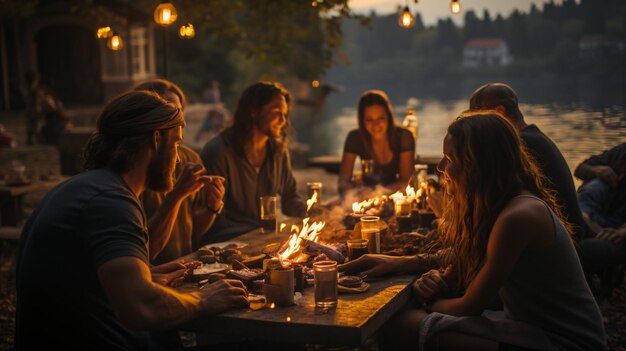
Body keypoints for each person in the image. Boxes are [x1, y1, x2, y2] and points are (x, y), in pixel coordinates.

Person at [345, 111, 607, 350]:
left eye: (449, 159)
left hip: (565, 342)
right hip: (535, 328)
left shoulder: (518, 216)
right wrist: (396, 263)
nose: (441, 169)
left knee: (401, 326)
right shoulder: (506, 204)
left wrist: (428, 304)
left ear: (476, 163)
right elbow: (468, 255)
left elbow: (469, 306)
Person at [15, 91, 248, 350]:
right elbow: (140, 307)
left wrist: (144, 274)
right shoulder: (109, 201)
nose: (179, 158)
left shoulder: (88, 188)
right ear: (156, 139)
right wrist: (203, 299)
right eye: (176, 144)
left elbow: (84, 283)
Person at [467, 83, 625, 293]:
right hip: (570, 232)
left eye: (478, 118)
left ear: (499, 112)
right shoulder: (532, 138)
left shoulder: (521, 145)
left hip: (564, 243)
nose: (476, 126)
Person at [200, 81, 307, 243]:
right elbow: (216, 224)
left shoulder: (278, 151)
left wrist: (315, 210)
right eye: (276, 112)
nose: (282, 120)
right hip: (227, 244)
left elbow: (290, 199)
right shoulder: (218, 152)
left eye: (285, 114)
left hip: (263, 239)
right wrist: (264, 235)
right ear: (254, 111)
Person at [134, 79, 225, 264]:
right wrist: (176, 195)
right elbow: (139, 252)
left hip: (182, 267)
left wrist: (211, 206)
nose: (174, 118)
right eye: (166, 110)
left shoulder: (190, 159)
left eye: (177, 110)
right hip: (150, 274)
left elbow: (193, 230)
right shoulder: (136, 169)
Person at [338, 90, 415, 195]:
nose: (376, 124)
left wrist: (376, 194)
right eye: (369, 120)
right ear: (362, 120)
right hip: (363, 198)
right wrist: (352, 189)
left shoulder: (403, 137)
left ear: (389, 116)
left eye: (381, 118)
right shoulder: (355, 137)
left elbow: (406, 182)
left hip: (395, 198)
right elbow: (343, 182)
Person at [574, 142, 626, 230]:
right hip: (590, 210)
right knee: (598, 184)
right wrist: (595, 171)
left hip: (615, 223)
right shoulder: (620, 151)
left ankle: (584, 222)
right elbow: (580, 169)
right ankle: (583, 217)